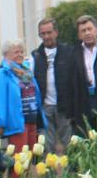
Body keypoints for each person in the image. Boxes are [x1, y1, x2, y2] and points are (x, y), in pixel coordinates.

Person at [32, 18, 78, 153]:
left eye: (49, 32)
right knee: (47, 144)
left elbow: (75, 79)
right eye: (43, 34)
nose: (46, 36)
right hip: (45, 106)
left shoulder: (68, 52)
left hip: (64, 106)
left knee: (69, 143)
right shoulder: (36, 55)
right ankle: (49, 167)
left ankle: (72, 166)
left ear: (56, 32)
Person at [0, 39, 42, 154]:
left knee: (33, 157)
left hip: (32, 120)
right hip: (16, 123)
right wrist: (0, 122)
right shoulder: (1, 74)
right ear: (6, 55)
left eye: (21, 52)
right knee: (19, 159)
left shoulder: (26, 72)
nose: (20, 54)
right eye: (16, 52)